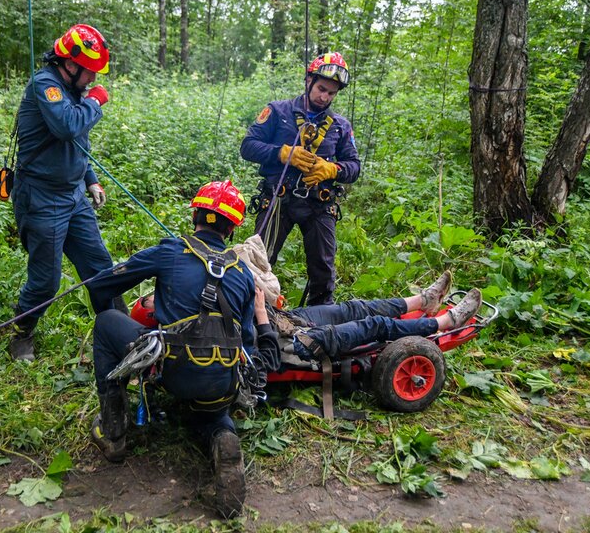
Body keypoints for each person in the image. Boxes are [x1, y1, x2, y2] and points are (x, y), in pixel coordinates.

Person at [85, 180, 275, 519]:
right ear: (232, 228)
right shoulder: (245, 274)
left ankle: (113, 432)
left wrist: (123, 330)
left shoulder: (170, 251)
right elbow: (247, 342)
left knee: (105, 323)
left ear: (196, 214)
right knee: (212, 414)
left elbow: (102, 283)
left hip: (173, 373)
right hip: (222, 384)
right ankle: (221, 433)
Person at [10, 24, 121, 362]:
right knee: (46, 282)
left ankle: (122, 332)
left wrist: (90, 179)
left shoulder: (73, 90)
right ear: (70, 64)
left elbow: (78, 142)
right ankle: (21, 333)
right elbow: (68, 126)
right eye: (90, 72)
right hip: (41, 198)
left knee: (101, 267)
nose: (93, 79)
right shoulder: (46, 85)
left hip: (72, 195)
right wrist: (97, 102)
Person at [130, 271, 483, 365]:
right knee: (373, 327)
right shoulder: (194, 333)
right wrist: (258, 314)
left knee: (352, 307)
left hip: (287, 321)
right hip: (292, 346)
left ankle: (422, 299)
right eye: (150, 301)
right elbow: (259, 357)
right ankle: (444, 323)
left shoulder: (190, 302)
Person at [240, 52, 360, 306]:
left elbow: (354, 167)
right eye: (321, 89)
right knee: (257, 262)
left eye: (331, 93)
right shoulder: (277, 111)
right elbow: (248, 147)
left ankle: (319, 326)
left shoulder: (340, 126)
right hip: (277, 199)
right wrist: (281, 153)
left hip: (319, 204)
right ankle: (250, 317)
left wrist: (332, 169)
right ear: (308, 80)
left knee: (323, 271)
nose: (324, 97)